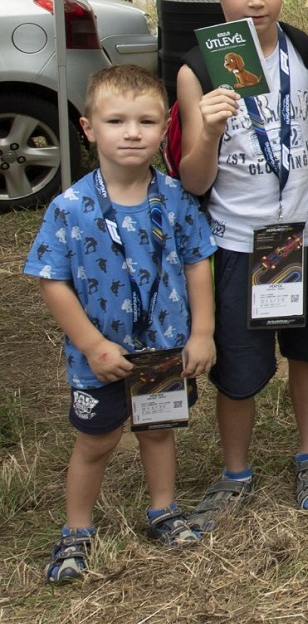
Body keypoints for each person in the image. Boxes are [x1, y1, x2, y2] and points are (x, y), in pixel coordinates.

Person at [175, 0, 308, 527]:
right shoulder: (199, 67)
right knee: (238, 365)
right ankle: (236, 471)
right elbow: (193, 180)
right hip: (235, 241)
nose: (255, 1)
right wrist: (212, 128)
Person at [27, 65, 218, 581]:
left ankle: (163, 511)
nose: (132, 132)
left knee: (157, 431)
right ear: (89, 128)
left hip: (164, 351)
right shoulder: (70, 207)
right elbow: (52, 280)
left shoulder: (176, 198)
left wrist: (201, 333)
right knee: (97, 441)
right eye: (116, 121)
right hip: (102, 358)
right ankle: (77, 531)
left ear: (164, 129)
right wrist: (91, 345)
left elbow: (200, 261)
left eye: (146, 121)